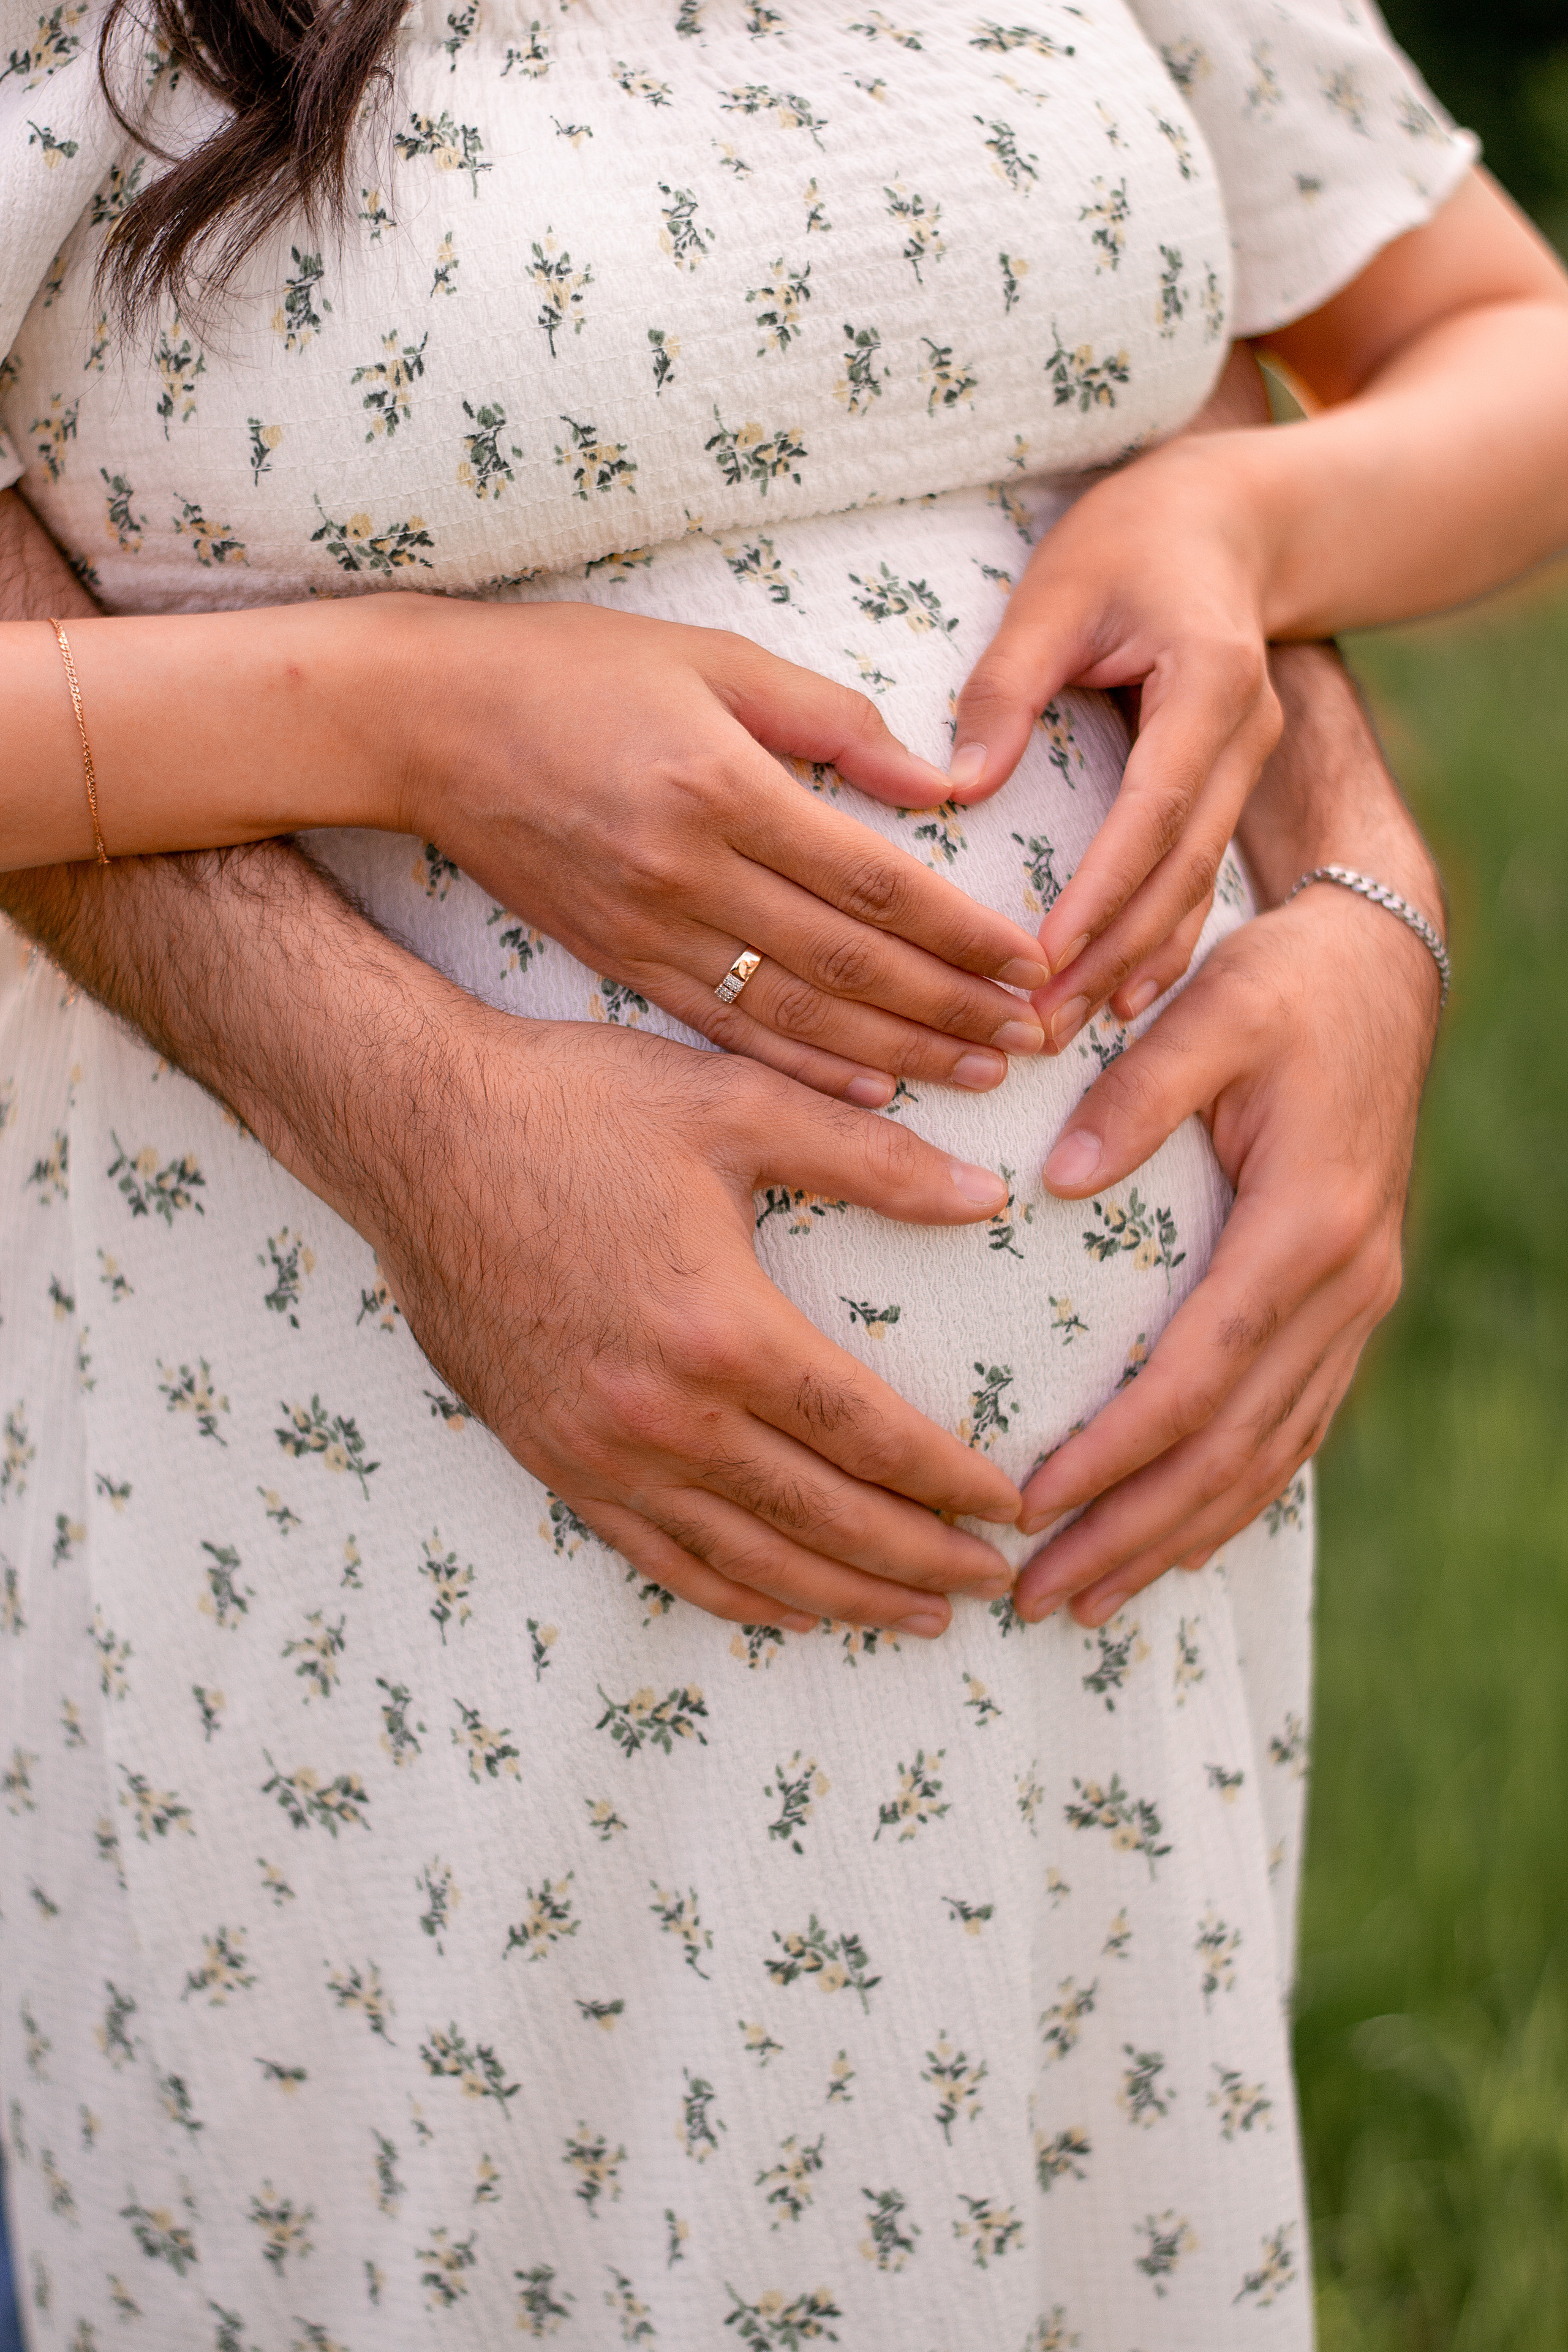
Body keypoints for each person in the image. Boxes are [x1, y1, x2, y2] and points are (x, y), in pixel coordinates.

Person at [2, 0, 1562, 2340]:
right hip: (378, 1541)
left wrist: (1295, 679)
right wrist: (412, 721)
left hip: (1091, 1612)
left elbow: (1508, 346)